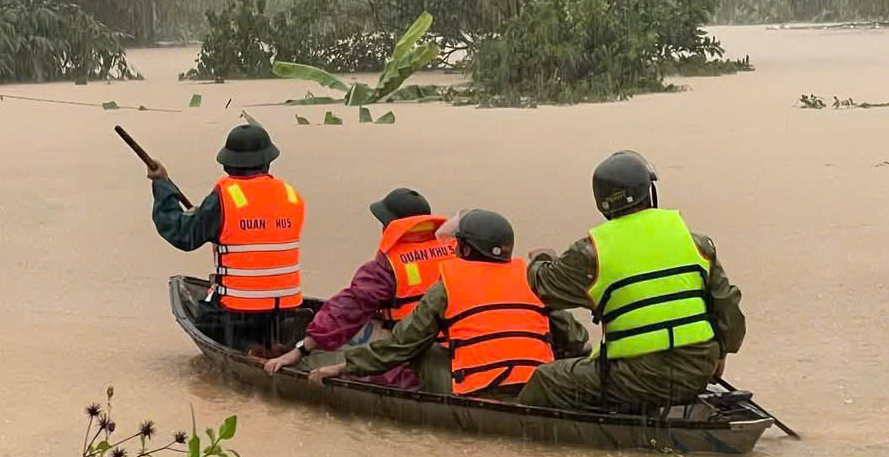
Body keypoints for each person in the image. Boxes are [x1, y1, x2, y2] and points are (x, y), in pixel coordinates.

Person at [517, 150, 745, 413]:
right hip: (697, 372)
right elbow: (729, 310)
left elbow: (546, 287)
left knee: (546, 379)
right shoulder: (696, 243)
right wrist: (720, 355)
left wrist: (541, 259)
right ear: (648, 192)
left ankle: (527, 447)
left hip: (637, 377)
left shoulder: (592, 252)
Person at [306, 210, 590, 398]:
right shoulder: (533, 276)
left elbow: (400, 346)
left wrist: (344, 367)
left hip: (480, 391)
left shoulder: (449, 284)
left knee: (421, 350)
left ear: (465, 249)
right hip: (535, 389)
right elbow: (578, 340)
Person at [263, 188, 457, 390]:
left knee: (313, 363)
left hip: (410, 362)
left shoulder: (388, 266)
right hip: (460, 359)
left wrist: (300, 350)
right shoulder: (457, 252)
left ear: (389, 226)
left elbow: (346, 310)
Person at [148, 124, 305, 353]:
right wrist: (205, 217)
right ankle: (277, 341)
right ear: (268, 161)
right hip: (286, 308)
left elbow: (182, 234)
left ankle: (249, 348)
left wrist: (161, 184)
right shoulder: (292, 196)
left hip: (239, 313)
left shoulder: (224, 197)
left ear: (227, 164)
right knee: (263, 309)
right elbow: (257, 231)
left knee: (204, 320)